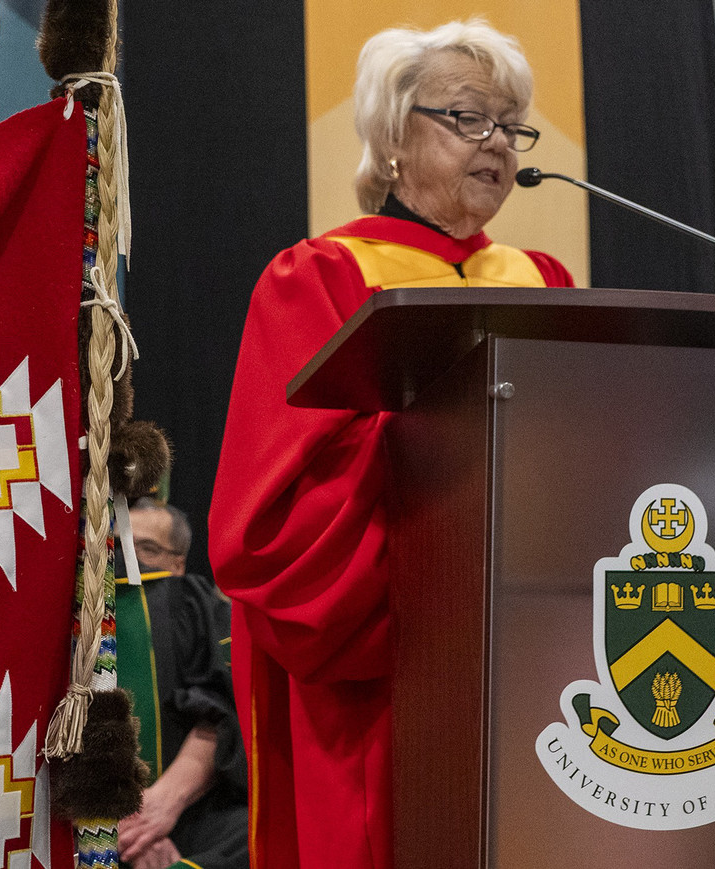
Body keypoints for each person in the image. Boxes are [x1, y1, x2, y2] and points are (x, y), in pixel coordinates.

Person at [205, 19, 573, 868]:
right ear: (394, 136)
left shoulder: (542, 281)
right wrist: (451, 463)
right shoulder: (323, 277)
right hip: (385, 668)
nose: (499, 145)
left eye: (512, 127)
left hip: (529, 667)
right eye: (469, 118)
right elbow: (270, 518)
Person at [114, 499, 248, 869]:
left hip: (188, 809)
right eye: (119, 544)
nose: (130, 558)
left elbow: (222, 708)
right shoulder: (74, 613)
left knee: (265, 835)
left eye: (147, 548)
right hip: (86, 815)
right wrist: (126, 829)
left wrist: (158, 808)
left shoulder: (195, 605)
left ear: (178, 562)